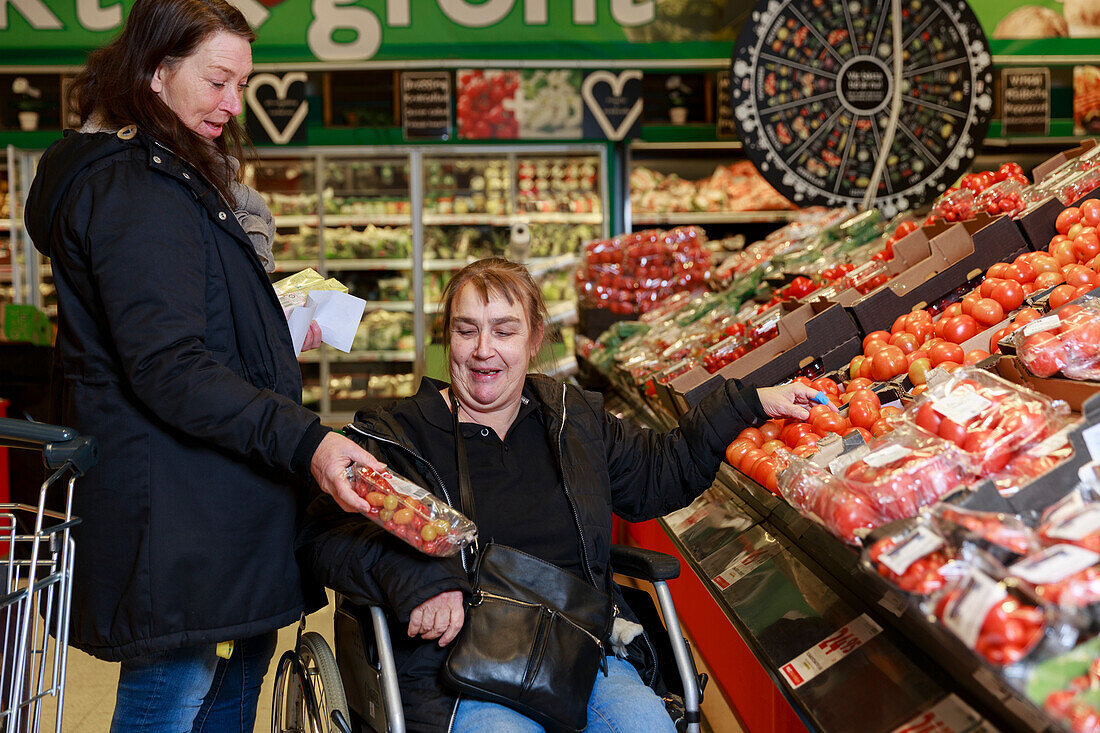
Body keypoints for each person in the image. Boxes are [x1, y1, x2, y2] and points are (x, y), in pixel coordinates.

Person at [23, 0, 382, 729]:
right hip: (176, 507)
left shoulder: (168, 174)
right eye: (218, 81)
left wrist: (263, 328)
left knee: (244, 659)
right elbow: (169, 365)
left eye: (242, 84)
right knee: (169, 695)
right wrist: (308, 440)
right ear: (157, 73)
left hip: (212, 495)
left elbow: (182, 321)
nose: (233, 103)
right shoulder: (136, 191)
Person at [299, 258, 827, 732]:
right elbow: (325, 532)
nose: (484, 350)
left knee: (646, 726)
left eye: (504, 332)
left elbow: (659, 472)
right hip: (459, 668)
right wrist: (419, 577)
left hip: (580, 653)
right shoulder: (399, 435)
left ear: (533, 342)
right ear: (447, 339)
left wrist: (746, 404)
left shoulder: (575, 419)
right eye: (467, 331)